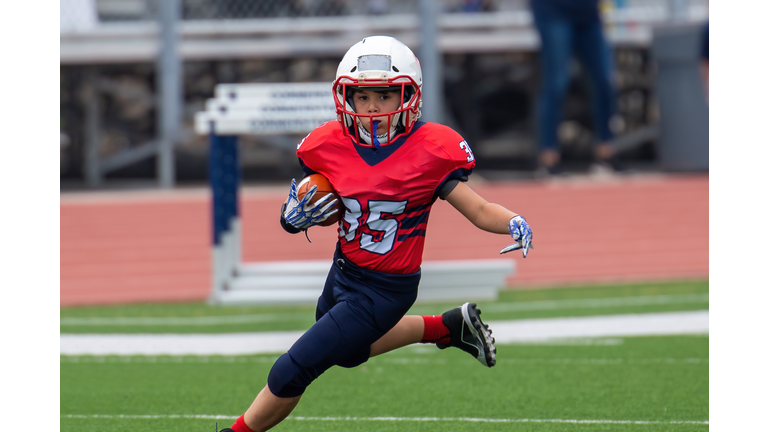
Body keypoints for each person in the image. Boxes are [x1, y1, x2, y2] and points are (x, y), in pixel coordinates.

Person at [219, 35, 534, 432]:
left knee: (292, 368)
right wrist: (292, 217)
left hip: (387, 288)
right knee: (348, 353)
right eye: (362, 96)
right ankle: (448, 327)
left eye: (384, 96)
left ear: (408, 97)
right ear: (345, 98)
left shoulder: (430, 150)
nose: (372, 107)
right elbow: (312, 206)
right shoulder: (330, 144)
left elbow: (479, 208)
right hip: (344, 270)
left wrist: (512, 221)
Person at [529, 0, 620, 176]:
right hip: (553, 11)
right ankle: (548, 157)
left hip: (588, 13)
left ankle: (606, 154)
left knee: (605, 80)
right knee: (557, 82)